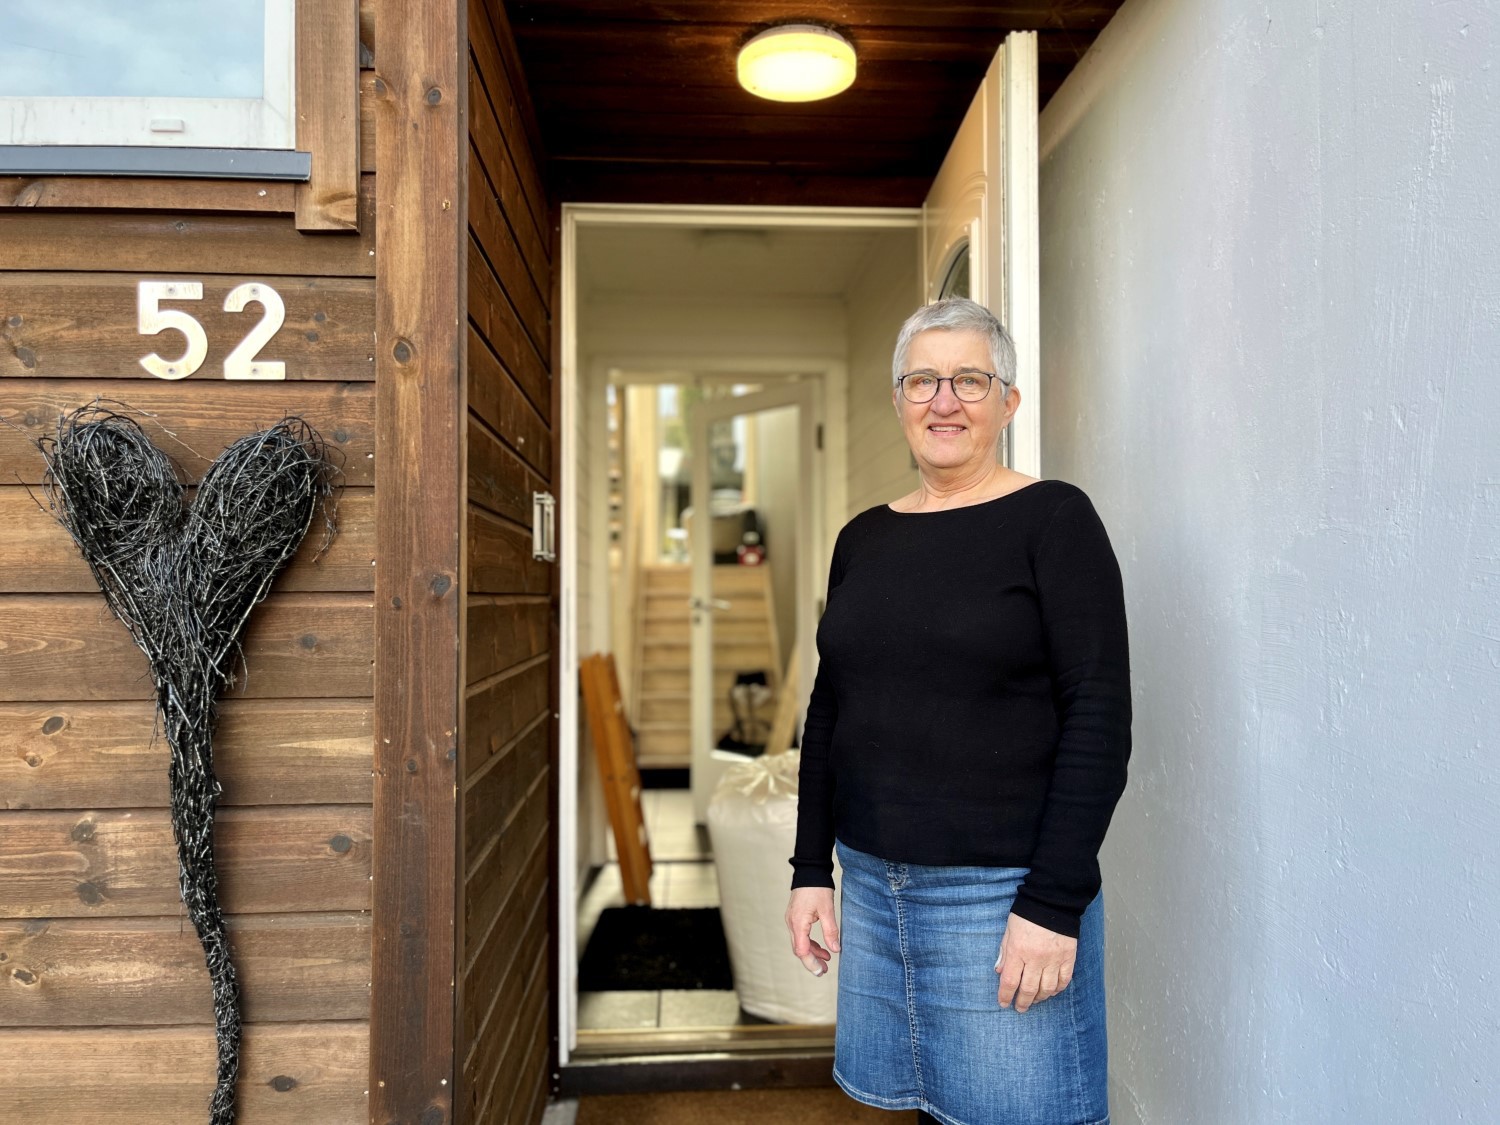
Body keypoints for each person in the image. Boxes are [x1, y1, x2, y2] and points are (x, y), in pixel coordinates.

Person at [785, 297, 1132, 1125]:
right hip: (873, 888)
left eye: (970, 379)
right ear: (899, 400)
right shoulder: (861, 539)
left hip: (1002, 898)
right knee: (932, 1113)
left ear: (1008, 401)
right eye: (923, 380)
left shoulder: (1056, 521)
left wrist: (1052, 902)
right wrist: (809, 869)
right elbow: (830, 709)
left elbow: (1099, 716)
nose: (945, 400)